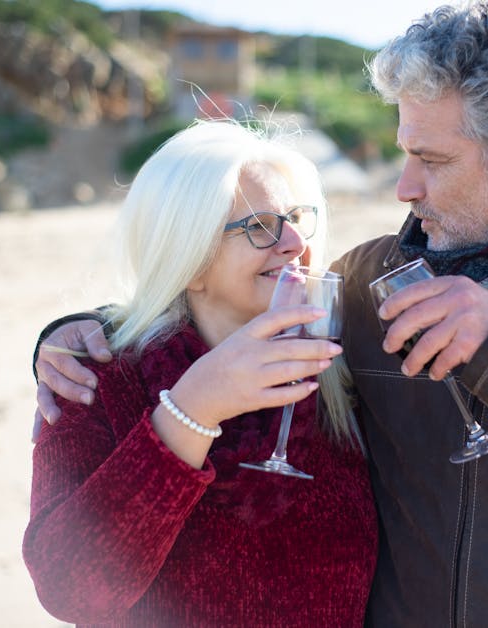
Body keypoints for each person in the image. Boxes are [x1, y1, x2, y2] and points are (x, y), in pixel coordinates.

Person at [33, 2, 488, 626]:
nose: (404, 187)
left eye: (432, 160)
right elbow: (216, 297)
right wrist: (76, 336)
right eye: (402, 152)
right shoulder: (366, 282)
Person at [23, 120, 377, 627]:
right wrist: (192, 409)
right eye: (260, 226)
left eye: (297, 217)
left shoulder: (346, 373)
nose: (296, 242)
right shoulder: (95, 382)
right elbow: (69, 590)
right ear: (188, 259)